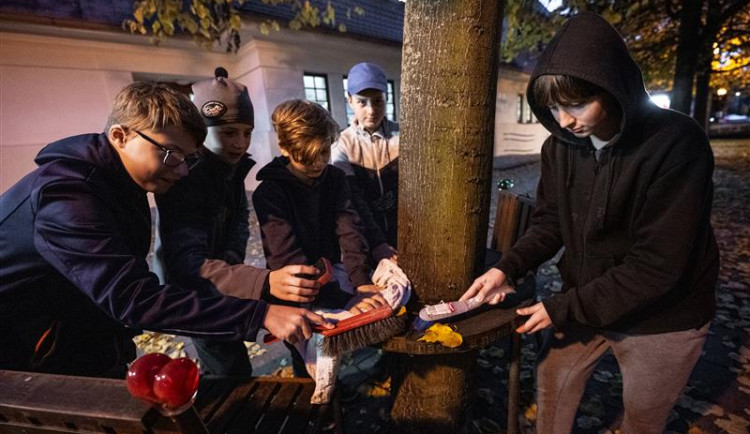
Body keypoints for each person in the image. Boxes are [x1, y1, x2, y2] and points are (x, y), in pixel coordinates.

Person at [460, 13, 719, 434]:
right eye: (555, 107)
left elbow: (657, 266)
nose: (564, 120)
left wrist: (562, 307)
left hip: (665, 315)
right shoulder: (561, 146)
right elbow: (549, 222)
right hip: (586, 298)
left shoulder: (678, 144)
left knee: (643, 416)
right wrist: (506, 267)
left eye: (577, 104)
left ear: (614, 88)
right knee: (553, 386)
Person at [0, 82, 331, 378]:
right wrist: (261, 313)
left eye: (189, 158)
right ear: (120, 136)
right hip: (20, 354)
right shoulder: (67, 195)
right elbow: (132, 296)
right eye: (172, 155)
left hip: (69, 339)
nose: (184, 171)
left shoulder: (124, 185)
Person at [154, 68, 325, 377]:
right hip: (193, 295)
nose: (240, 142)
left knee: (234, 352)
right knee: (228, 368)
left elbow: (239, 226)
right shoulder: (186, 180)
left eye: (247, 132)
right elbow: (186, 265)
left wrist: (233, 267)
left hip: (222, 284)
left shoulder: (229, 169)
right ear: (203, 132)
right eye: (229, 132)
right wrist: (261, 281)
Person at [253, 99, 387, 375]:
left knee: (342, 343)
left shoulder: (335, 179)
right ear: (284, 149)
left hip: (334, 272)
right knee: (308, 358)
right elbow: (286, 258)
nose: (318, 163)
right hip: (293, 286)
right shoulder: (269, 194)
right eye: (306, 156)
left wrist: (360, 283)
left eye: (324, 152)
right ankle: (314, 405)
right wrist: (340, 299)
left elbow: (350, 231)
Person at [331, 62, 399, 263]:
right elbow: (353, 199)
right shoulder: (341, 145)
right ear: (349, 100)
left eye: (378, 101)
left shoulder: (403, 136)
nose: (371, 111)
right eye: (362, 102)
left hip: (407, 234)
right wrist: (377, 243)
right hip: (367, 239)